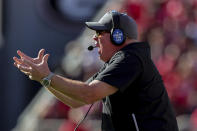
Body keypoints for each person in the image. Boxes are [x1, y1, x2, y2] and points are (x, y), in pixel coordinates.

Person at [13, 10, 179, 131]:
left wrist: (47, 76)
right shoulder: (121, 60)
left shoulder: (130, 58)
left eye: (100, 32)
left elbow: (88, 94)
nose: (94, 38)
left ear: (118, 36)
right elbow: (76, 101)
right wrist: (44, 79)